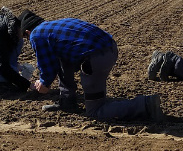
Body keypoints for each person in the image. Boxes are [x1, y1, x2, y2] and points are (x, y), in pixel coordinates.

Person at [19, 10, 164, 122]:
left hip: (96, 59)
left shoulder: (36, 35)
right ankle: (67, 101)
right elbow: (60, 61)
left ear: (27, 32)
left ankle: (146, 105)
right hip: (110, 48)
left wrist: (43, 84)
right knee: (63, 60)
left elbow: (47, 67)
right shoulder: (54, 26)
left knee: (96, 111)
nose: (28, 40)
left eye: (25, 37)